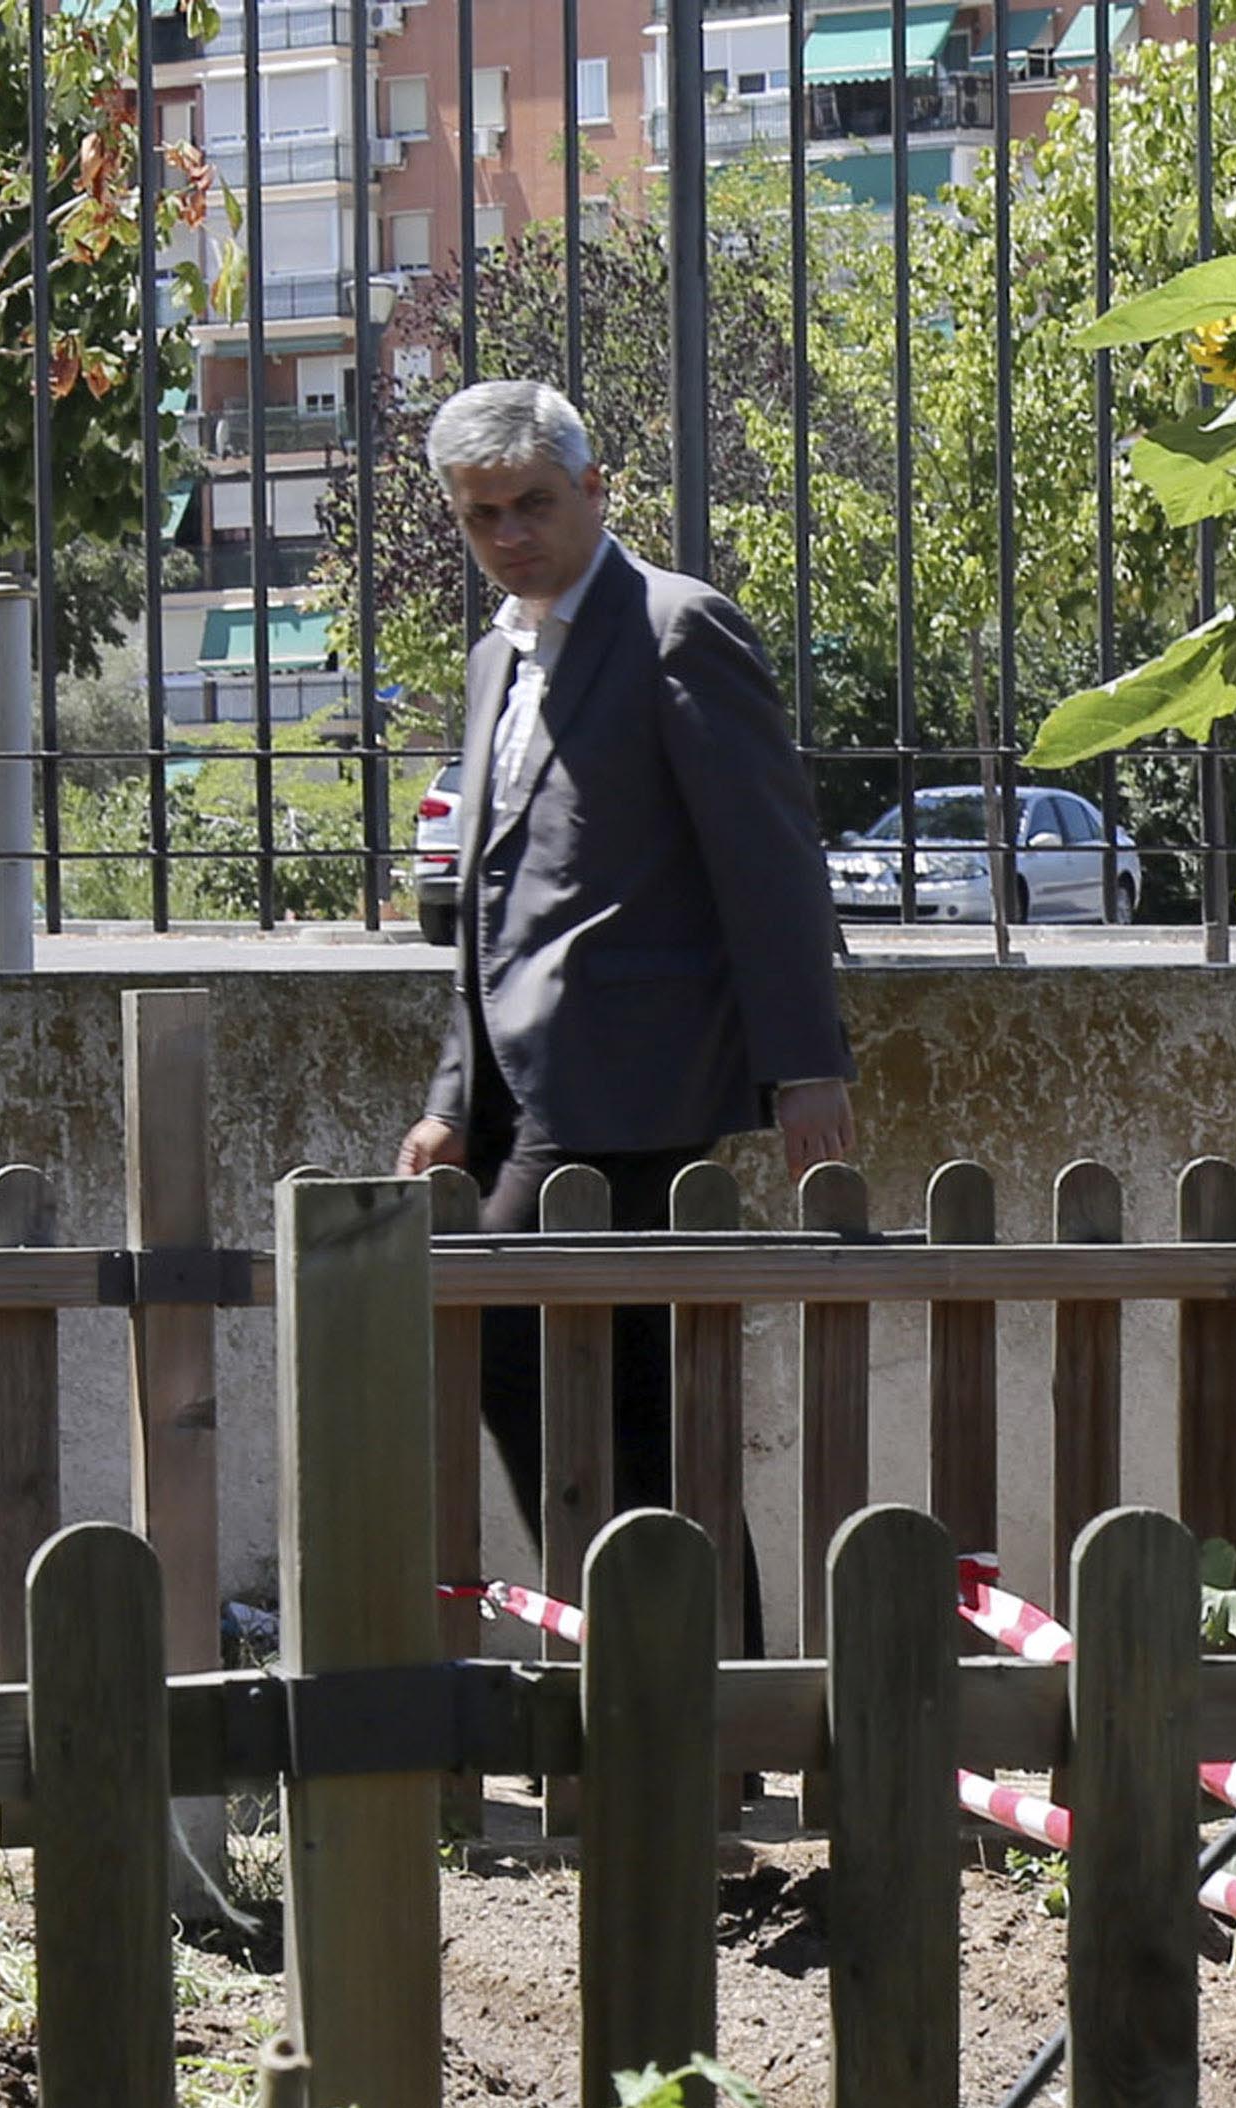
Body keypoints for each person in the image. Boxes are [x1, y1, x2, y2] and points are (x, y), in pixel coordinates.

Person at [392, 379, 856, 1561]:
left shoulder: (674, 628)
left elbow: (771, 862)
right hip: (520, 1086)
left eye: (533, 504)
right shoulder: (499, 656)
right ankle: (642, 1653)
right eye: (480, 514)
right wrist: (453, 1099)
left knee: (550, 1360)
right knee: (610, 1394)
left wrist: (805, 1066)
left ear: (595, 490)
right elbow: (489, 901)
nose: (508, 536)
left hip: (638, 1085)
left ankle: (683, 1674)